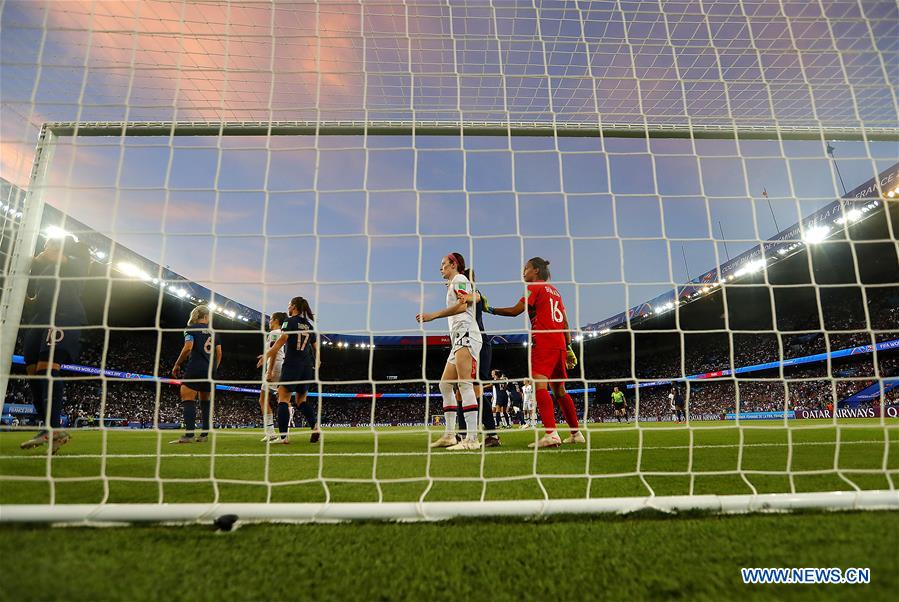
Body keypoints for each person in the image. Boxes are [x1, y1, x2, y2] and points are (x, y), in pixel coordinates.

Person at [486, 257, 583, 448]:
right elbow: (564, 322)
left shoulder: (535, 288)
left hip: (545, 341)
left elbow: (515, 311)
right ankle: (576, 433)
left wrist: (489, 309)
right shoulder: (555, 291)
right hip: (559, 343)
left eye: (526, 268)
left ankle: (551, 434)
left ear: (536, 271)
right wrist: (569, 346)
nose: (523, 272)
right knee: (560, 390)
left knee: (540, 385)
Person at [20, 235, 89, 454]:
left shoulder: (77, 257)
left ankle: (53, 429)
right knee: (33, 373)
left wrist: (38, 257)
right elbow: (37, 298)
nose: (45, 247)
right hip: (39, 319)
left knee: (47, 369)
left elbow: (61, 258)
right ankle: (48, 429)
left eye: (49, 243)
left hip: (63, 316)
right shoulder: (45, 269)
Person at [416, 253, 482, 451]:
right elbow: (470, 298)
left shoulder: (460, 279)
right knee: (445, 385)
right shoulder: (456, 283)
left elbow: (463, 306)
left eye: (443, 264)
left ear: (454, 265)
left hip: (466, 334)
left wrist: (433, 316)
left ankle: (471, 439)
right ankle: (450, 435)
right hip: (458, 338)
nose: (440, 268)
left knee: (465, 384)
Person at [259, 296, 320, 443]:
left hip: (292, 364)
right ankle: (315, 427)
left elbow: (282, 340)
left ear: (293, 307)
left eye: (289, 305)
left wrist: (267, 354)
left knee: (283, 399)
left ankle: (284, 437)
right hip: (306, 366)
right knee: (301, 400)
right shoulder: (309, 325)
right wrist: (317, 362)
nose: (288, 307)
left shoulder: (289, 321)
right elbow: (316, 348)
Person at [454, 268, 500, 447]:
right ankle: (462, 434)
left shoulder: (474, 292)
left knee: (474, 390)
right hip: (465, 343)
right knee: (460, 391)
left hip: (479, 344)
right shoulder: (458, 296)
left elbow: (477, 297)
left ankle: (492, 434)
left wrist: (467, 297)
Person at [170, 305, 221, 444]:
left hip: (195, 368)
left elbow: (188, 348)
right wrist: (213, 369)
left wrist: (177, 364)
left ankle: (189, 435)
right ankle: (204, 435)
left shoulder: (190, 329)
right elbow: (219, 353)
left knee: (187, 396)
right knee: (205, 402)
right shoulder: (214, 332)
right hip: (210, 372)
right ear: (205, 317)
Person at [258, 312, 288, 442]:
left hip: (274, 367)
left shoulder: (274, 333)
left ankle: (271, 432)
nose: (269, 322)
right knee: (282, 399)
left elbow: (274, 352)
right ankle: (283, 433)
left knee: (263, 399)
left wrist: (269, 371)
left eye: (271, 319)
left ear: (275, 320)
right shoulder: (282, 333)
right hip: (281, 366)